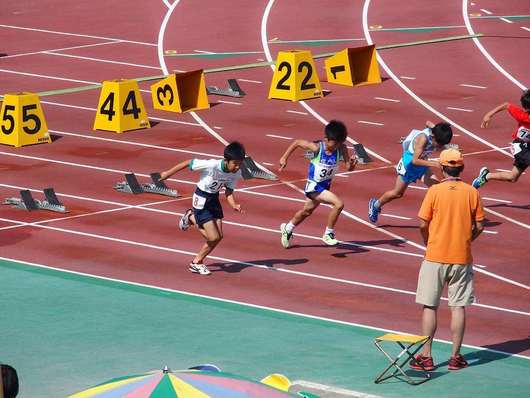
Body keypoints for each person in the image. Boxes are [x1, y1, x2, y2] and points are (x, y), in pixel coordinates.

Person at [411, 148, 484, 372]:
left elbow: (423, 223)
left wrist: (428, 240)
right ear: (461, 168)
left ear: (442, 168)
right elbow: (479, 225)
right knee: (458, 306)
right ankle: (455, 357)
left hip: (435, 255)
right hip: (461, 256)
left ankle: (426, 356)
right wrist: (467, 240)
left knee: (430, 306)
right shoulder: (472, 192)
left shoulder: (434, 191)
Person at [160, 141, 245, 275]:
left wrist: (234, 204)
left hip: (214, 199)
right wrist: (167, 174)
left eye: (240, 163)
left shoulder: (236, 172)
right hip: (201, 199)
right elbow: (188, 162)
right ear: (226, 160)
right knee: (213, 238)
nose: (237, 167)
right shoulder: (212, 165)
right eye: (235, 163)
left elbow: (229, 191)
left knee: (219, 236)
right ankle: (196, 263)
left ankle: (190, 217)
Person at [278, 120, 356, 247]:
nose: (337, 146)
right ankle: (328, 233)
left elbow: (348, 167)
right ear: (326, 139)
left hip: (325, 186)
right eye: (335, 143)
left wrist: (352, 165)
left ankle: (287, 229)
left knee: (306, 212)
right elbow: (297, 142)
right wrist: (284, 157)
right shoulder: (317, 148)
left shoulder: (342, 148)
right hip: (314, 187)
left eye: (340, 143)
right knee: (338, 204)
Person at [368, 121, 453, 223]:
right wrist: (435, 164)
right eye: (439, 144)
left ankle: (438, 216)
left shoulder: (435, 131)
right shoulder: (423, 139)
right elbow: (415, 160)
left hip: (422, 163)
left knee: (436, 188)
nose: (439, 147)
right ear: (433, 136)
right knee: (397, 193)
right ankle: (375, 204)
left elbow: (427, 122)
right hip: (409, 165)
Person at [472, 89, 530, 188]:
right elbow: (506, 105)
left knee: (512, 177)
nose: (523, 109)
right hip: (520, 147)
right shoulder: (522, 116)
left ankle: (486, 176)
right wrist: (488, 115)